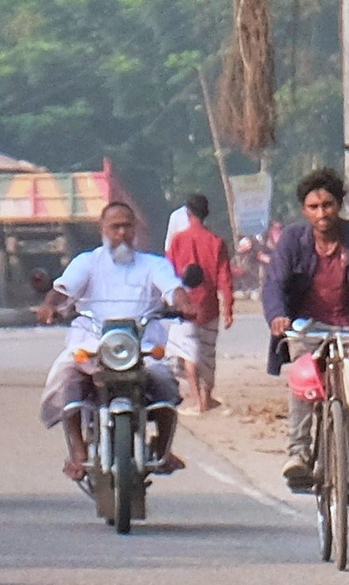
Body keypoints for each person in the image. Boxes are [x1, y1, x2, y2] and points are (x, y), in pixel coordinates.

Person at [263, 167, 349, 503]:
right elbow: (275, 283)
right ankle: (298, 452)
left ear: (339, 205)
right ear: (304, 210)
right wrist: (278, 316)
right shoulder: (292, 241)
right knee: (304, 378)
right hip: (306, 329)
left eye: (327, 205)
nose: (322, 213)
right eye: (314, 207)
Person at [36, 201, 186, 483]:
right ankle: (78, 451)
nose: (121, 233)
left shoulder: (154, 264)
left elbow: (173, 288)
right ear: (102, 229)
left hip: (141, 348)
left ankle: (163, 447)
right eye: (115, 227)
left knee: (165, 382)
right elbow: (63, 289)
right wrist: (49, 305)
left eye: (127, 226)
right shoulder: (87, 263)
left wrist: (185, 304)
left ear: (135, 228)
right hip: (91, 346)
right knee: (66, 379)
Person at [164, 192, 235, 414]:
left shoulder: (178, 240)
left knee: (189, 354)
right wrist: (228, 309)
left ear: (188, 213)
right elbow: (225, 278)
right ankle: (206, 397)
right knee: (207, 355)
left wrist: (166, 300)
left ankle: (197, 402)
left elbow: (167, 273)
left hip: (184, 308)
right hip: (209, 307)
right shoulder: (216, 242)